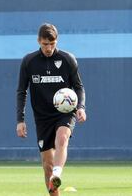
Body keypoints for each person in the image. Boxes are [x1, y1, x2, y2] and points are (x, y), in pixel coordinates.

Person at [16, 23, 87, 195]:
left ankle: (58, 173)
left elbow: (79, 87)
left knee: (62, 138)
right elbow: (21, 91)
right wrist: (20, 120)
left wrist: (81, 107)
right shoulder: (29, 61)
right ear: (38, 41)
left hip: (64, 113)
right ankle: (53, 177)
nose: (48, 48)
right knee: (47, 165)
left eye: (52, 43)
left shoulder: (68, 59)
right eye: (45, 44)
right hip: (42, 118)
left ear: (57, 41)